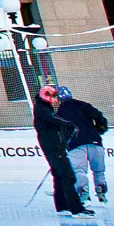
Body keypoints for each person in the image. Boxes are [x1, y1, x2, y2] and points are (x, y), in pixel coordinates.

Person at [34, 84, 93, 217]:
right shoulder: (42, 109)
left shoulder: (44, 108)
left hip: (55, 147)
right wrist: (69, 124)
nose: (56, 100)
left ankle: (62, 206)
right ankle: (76, 208)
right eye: (54, 97)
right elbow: (53, 119)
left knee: (60, 176)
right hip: (53, 148)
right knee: (68, 176)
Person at [55, 86, 110, 205]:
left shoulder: (60, 112)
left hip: (76, 145)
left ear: (59, 98)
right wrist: (99, 129)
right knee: (99, 170)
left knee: (79, 170)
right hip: (94, 142)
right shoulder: (83, 105)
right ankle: (101, 191)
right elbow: (99, 116)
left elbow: (58, 131)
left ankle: (84, 193)